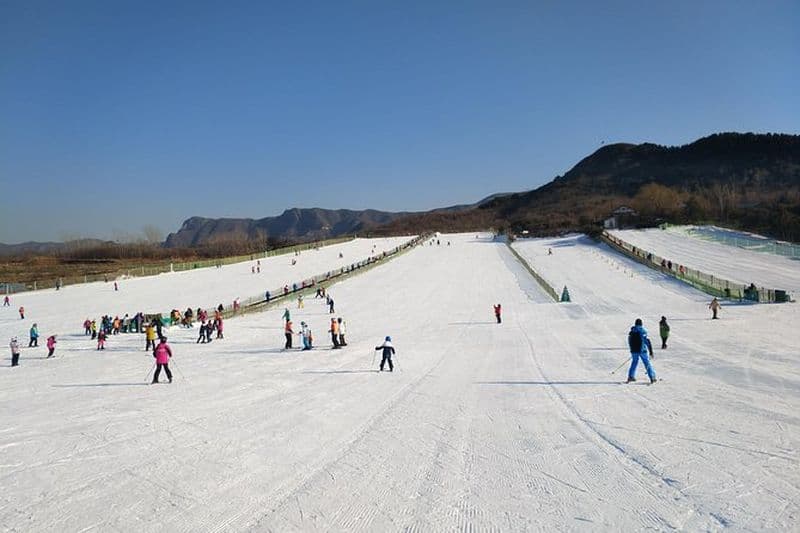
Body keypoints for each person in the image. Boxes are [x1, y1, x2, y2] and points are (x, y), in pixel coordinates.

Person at [627, 318, 656, 384]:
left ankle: (631, 376)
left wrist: (632, 349)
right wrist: (651, 351)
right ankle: (652, 377)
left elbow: (629, 341)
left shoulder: (631, 331)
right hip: (642, 350)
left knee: (634, 362)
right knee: (646, 363)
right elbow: (647, 341)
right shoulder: (642, 331)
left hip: (634, 351)